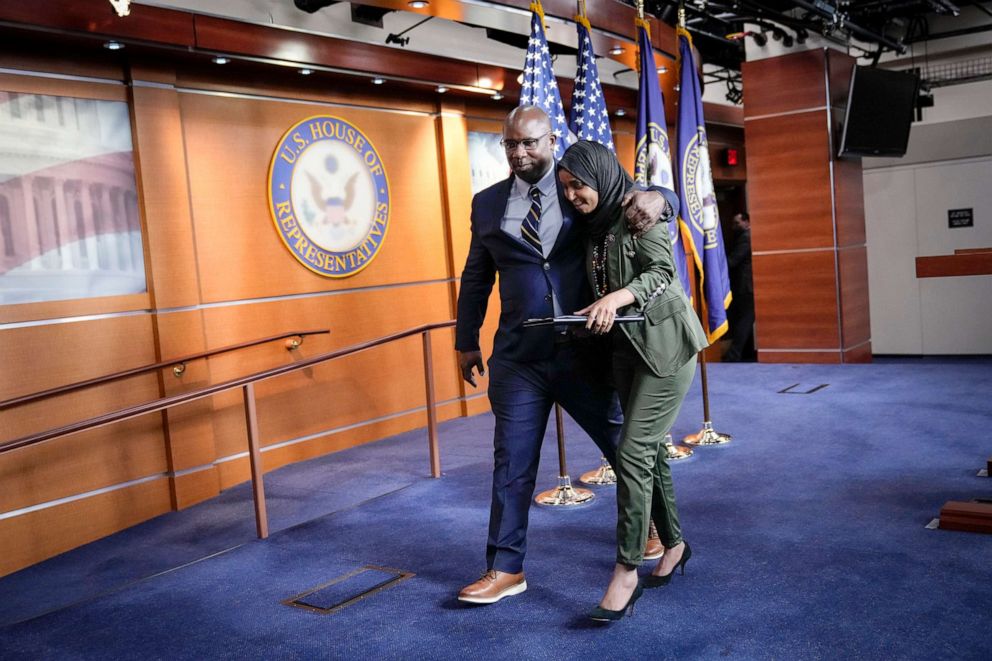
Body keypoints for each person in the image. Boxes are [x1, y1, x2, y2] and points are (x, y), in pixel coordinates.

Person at [454, 106, 675, 605]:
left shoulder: (579, 185)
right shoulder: (487, 204)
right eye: (510, 144)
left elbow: (657, 199)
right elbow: (475, 275)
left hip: (585, 351)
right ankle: (505, 568)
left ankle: (660, 532)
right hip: (519, 357)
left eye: (529, 143)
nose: (519, 152)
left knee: (625, 446)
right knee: (510, 460)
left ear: (551, 140)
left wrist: (657, 196)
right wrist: (465, 338)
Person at [557, 140, 708, 621]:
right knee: (652, 450)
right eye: (565, 186)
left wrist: (616, 298)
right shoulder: (593, 225)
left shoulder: (638, 211)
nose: (572, 194)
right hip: (626, 349)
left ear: (601, 175)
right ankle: (677, 544)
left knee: (634, 452)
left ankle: (626, 570)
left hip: (665, 347)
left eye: (578, 183)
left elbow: (663, 273)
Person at [724, 211, 755, 362]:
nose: (734, 227)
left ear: (747, 222)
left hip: (745, 287)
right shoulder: (744, 237)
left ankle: (734, 355)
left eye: (737, 223)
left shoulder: (745, 238)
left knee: (744, 321)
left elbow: (733, 261)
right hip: (745, 286)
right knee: (743, 320)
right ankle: (743, 353)